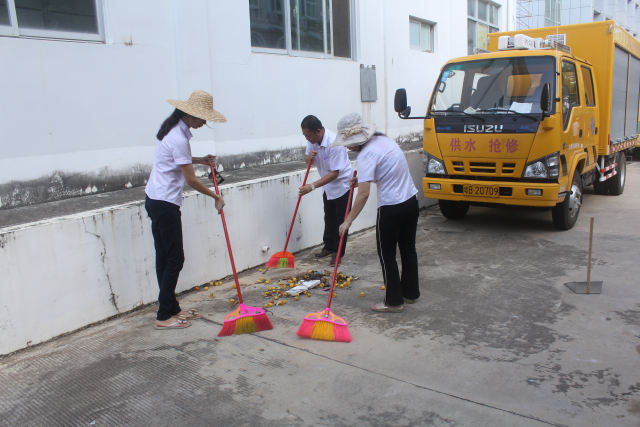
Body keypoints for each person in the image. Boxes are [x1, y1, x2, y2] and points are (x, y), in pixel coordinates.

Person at [145, 90, 226, 329]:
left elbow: (179, 161)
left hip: (156, 199)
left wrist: (201, 160)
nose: (204, 123)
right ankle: (164, 315)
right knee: (175, 258)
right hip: (164, 204)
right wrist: (215, 196)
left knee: (164, 256)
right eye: (202, 118)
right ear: (190, 115)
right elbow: (191, 180)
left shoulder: (176, 133)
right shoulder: (178, 138)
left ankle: (171, 307)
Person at [334, 113, 419, 313]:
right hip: (410, 202)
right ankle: (411, 293)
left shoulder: (365, 155)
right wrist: (364, 178)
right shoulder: (384, 140)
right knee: (408, 250)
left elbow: (363, 194)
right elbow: (388, 170)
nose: (347, 147)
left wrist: (348, 221)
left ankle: (394, 301)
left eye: (348, 143)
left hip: (391, 209)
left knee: (386, 255)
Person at [298, 115, 353, 265]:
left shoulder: (335, 143)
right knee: (328, 217)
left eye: (308, 135)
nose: (307, 138)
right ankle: (328, 246)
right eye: (305, 135)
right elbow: (306, 159)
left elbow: (335, 173)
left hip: (343, 185)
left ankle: (338, 252)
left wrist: (312, 186)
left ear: (318, 131)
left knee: (341, 221)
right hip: (327, 186)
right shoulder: (312, 141)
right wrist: (308, 157)